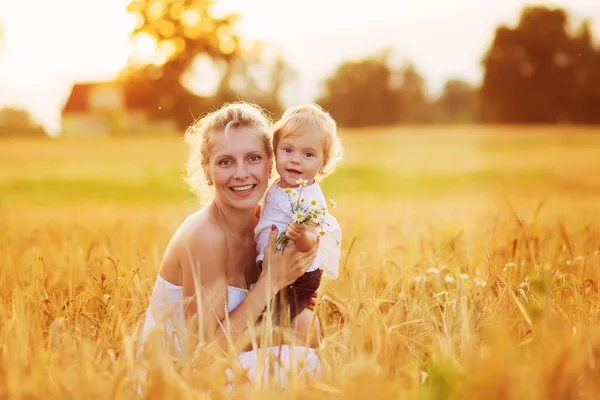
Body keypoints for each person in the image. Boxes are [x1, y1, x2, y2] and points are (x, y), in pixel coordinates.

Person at [135, 102, 323, 388]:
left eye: (253, 158)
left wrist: (296, 294)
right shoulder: (204, 236)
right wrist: (271, 282)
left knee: (306, 330)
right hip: (177, 381)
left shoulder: (265, 228)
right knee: (308, 366)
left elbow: (265, 324)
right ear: (207, 171)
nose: (241, 173)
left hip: (222, 366)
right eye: (225, 162)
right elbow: (203, 354)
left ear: (270, 165)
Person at [254, 104, 343, 326]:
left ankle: (289, 353)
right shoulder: (277, 186)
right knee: (260, 313)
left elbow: (311, 243)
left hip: (297, 275)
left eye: (308, 154)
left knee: (277, 323)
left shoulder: (310, 198)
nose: (296, 159)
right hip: (273, 267)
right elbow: (272, 212)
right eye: (288, 150)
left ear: (323, 163)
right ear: (275, 150)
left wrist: (300, 235)